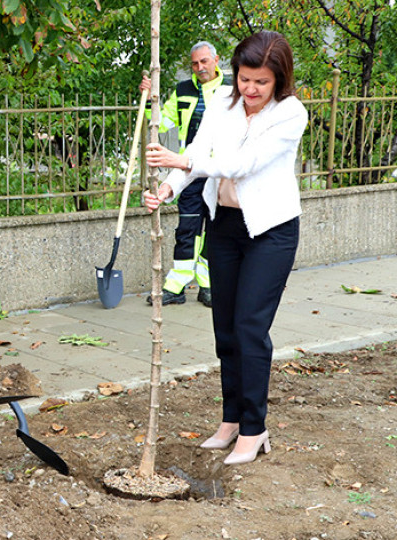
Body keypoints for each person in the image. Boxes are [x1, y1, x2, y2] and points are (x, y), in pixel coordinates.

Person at [143, 31, 307, 465]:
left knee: (251, 328)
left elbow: (242, 164)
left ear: (280, 81)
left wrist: (183, 163)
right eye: (244, 80)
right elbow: (198, 152)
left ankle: (255, 428)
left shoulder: (291, 115)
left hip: (270, 231)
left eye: (261, 83)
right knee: (225, 331)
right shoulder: (224, 101)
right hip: (225, 228)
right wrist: (167, 188)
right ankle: (231, 420)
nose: (250, 91)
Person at [141, 41, 232, 307]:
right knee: (187, 227)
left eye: (204, 61)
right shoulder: (183, 90)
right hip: (189, 170)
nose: (200, 67)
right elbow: (163, 119)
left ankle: (208, 284)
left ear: (216, 59)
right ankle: (176, 285)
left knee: (215, 230)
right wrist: (148, 100)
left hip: (220, 172)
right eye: (195, 63)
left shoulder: (230, 91)